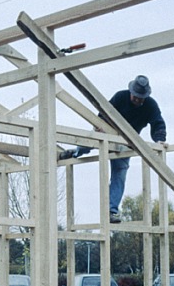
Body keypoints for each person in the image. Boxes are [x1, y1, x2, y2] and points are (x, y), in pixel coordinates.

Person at [59, 75, 166, 223]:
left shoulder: (150, 105)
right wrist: (100, 126)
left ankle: (112, 210)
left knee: (120, 173)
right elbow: (103, 111)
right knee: (87, 143)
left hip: (126, 143)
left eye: (141, 98)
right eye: (136, 97)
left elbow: (158, 123)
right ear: (131, 92)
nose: (138, 100)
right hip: (108, 133)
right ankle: (74, 153)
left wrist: (160, 140)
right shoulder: (120, 97)